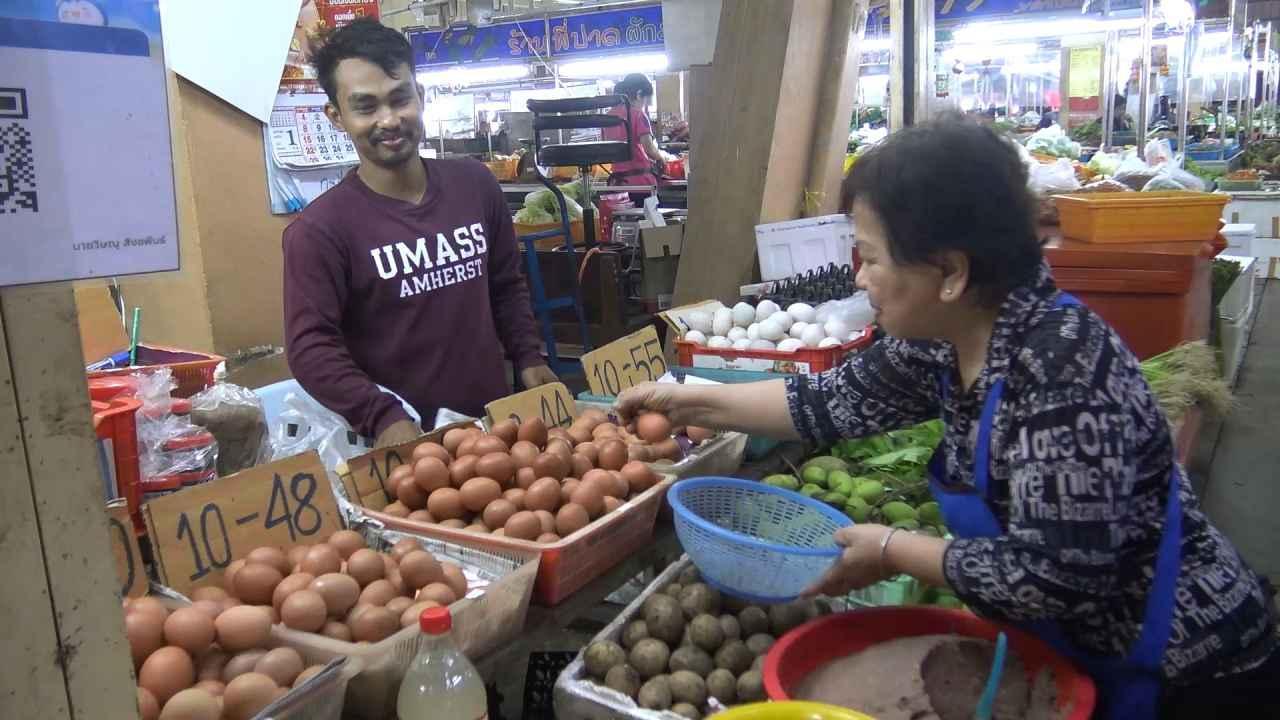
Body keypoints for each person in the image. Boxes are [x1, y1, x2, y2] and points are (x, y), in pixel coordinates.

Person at [617, 117, 1279, 719]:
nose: (859, 279)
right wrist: (687, 395)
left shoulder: (1060, 373)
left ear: (951, 272)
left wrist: (891, 549)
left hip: (1191, 674)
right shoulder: (943, 341)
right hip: (1082, 655)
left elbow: (1052, 578)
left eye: (872, 257)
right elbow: (822, 402)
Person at [282, 19, 556, 448]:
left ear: (420, 97)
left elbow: (505, 285)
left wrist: (528, 355)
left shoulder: (475, 185)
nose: (389, 120)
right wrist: (381, 415)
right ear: (337, 117)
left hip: (493, 429)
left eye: (399, 98)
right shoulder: (320, 230)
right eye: (366, 106)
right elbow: (310, 347)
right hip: (402, 446)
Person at [603, 73, 673, 187]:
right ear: (639, 94)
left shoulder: (608, 117)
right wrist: (661, 158)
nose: (643, 105)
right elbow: (649, 149)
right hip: (640, 182)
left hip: (617, 183)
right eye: (645, 100)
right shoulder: (637, 114)